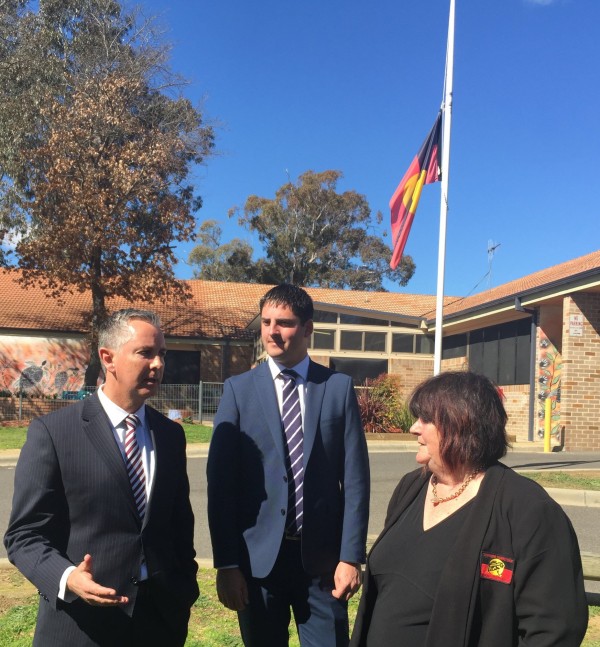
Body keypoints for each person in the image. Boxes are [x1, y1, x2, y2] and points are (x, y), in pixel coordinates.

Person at [350, 370, 588, 647]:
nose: (414, 427)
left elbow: (554, 630)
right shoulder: (411, 487)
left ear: (461, 424)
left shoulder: (528, 510)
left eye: (426, 419)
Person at [4, 309, 198, 647]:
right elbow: (24, 535)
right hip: (81, 626)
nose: (158, 364)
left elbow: (179, 522)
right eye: (145, 353)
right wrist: (68, 579)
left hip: (159, 623)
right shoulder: (54, 433)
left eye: (162, 354)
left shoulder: (170, 435)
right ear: (108, 358)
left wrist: (185, 587)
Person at [207, 283, 370, 647]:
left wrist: (350, 556)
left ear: (308, 328)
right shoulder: (238, 390)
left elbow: (356, 479)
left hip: (323, 564)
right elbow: (221, 486)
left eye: (284, 323)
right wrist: (227, 564)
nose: (272, 332)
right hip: (257, 564)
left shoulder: (338, 388)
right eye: (266, 322)